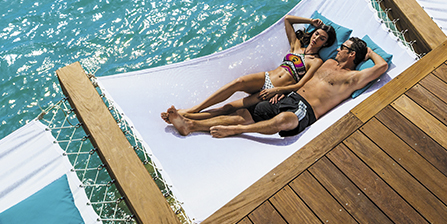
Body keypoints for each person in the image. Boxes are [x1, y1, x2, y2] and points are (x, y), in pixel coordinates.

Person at [164, 37, 387, 138]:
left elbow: (382, 66)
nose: (338, 49)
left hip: (305, 109)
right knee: (243, 114)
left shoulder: (353, 78)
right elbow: (304, 82)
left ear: (352, 54)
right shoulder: (329, 62)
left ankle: (237, 130)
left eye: (343, 48)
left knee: (285, 120)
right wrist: (284, 92)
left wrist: (370, 53)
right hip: (289, 97)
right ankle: (191, 124)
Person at [161, 15, 335, 123]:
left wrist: (278, 91)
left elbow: (301, 85)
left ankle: (184, 117)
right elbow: (288, 20)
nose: (316, 38)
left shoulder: (316, 62)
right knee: (237, 82)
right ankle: (193, 109)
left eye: (322, 38)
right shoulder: (296, 46)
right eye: (316, 33)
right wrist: (311, 21)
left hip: (273, 90)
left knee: (228, 108)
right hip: (266, 77)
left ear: (325, 44)